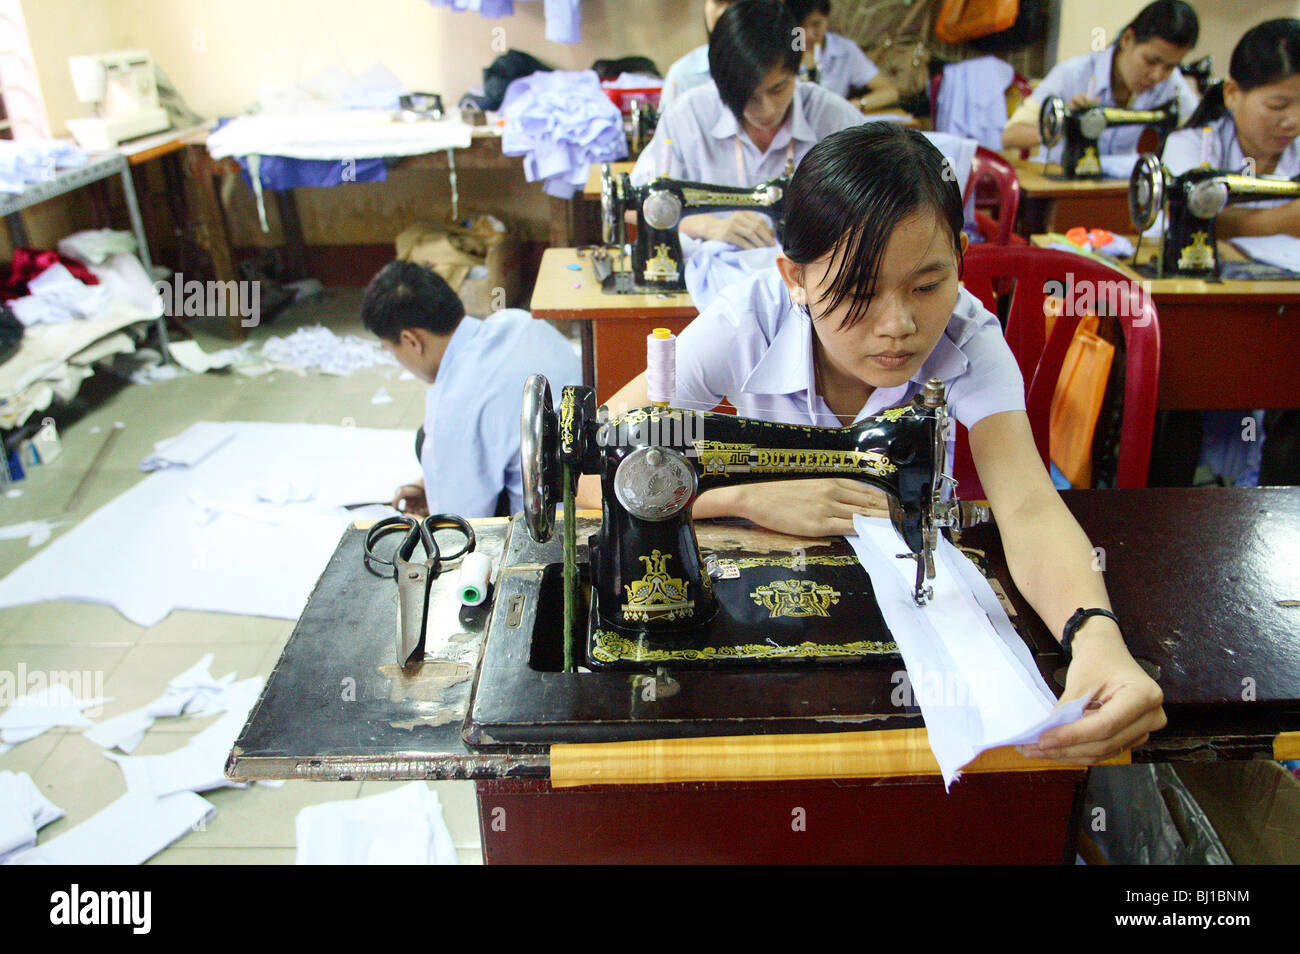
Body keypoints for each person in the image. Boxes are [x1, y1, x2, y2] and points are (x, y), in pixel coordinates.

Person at [582, 123, 1166, 764]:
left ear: (961, 259)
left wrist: (1097, 637)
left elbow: (1028, 506)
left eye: (926, 285)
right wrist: (748, 498)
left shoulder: (967, 338)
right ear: (795, 278)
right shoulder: (742, 325)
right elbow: (591, 468)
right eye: (858, 293)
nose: (900, 326)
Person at [1161, 19, 1300, 487]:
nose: (1292, 122)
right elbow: (1182, 222)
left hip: (1286, 318)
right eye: (1278, 105)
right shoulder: (1189, 146)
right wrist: (1286, 221)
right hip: (1209, 320)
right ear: (1233, 92)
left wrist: (1230, 227)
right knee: (1180, 396)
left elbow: (1213, 224)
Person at [632, 0, 866, 250]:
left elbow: (881, 207)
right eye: (749, 96)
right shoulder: (687, 117)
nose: (768, 110)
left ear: (796, 69)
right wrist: (710, 227)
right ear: (722, 85)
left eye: (778, 89)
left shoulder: (836, 119)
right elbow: (636, 203)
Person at [361, 260, 582, 518]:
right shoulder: (517, 320)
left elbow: (458, 524)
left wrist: (421, 519)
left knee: (427, 441)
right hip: (589, 474)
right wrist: (429, 482)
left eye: (392, 350)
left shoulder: (454, 406)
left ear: (411, 340)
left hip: (549, 523)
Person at [1002, 0, 1200, 159]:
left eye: (1170, 66)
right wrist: (1063, 126)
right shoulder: (1072, 74)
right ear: (1127, 39)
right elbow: (1009, 136)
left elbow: (1198, 130)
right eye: (1150, 61)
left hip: (1115, 192)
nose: (1157, 75)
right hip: (1058, 190)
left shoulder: (1170, 82)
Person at [785, 0, 898, 110]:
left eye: (816, 24)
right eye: (801, 26)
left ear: (827, 18)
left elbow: (890, 92)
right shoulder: (780, 50)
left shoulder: (845, 49)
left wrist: (854, 106)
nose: (808, 34)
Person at [659, 0, 736, 112]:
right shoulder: (683, 75)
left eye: (733, 2)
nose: (722, 12)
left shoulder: (767, 69)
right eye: (718, 2)